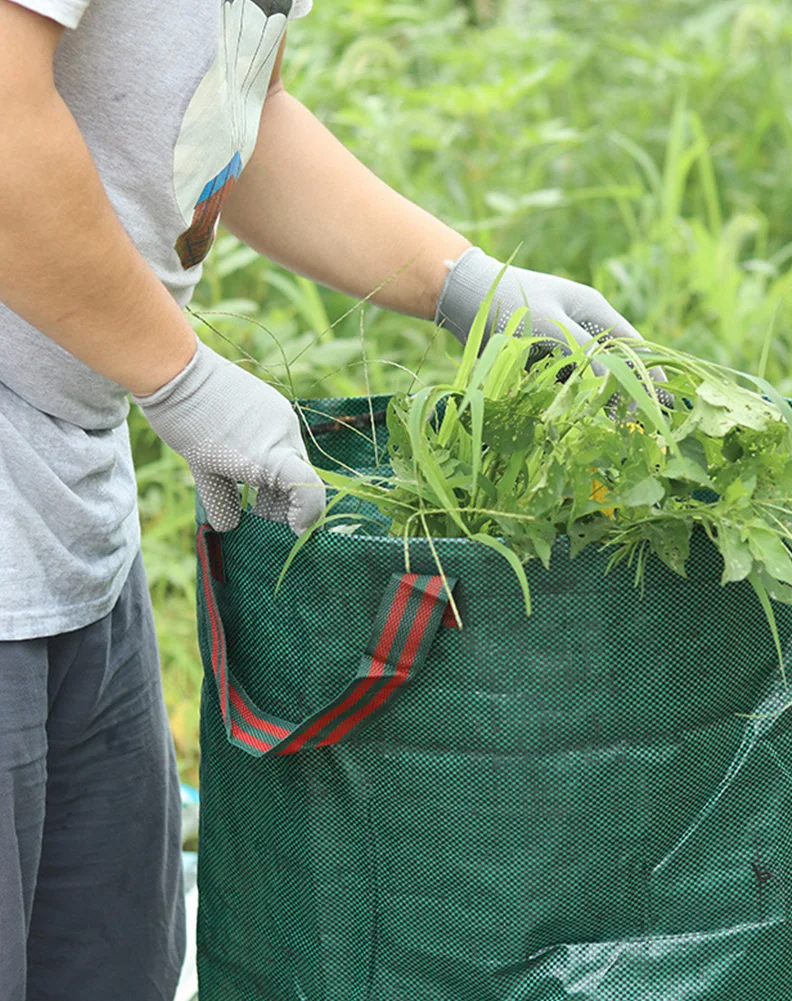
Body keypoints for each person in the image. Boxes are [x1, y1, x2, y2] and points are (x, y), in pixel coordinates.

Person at [0, 1, 653, 997]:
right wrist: (182, 380)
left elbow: (231, 115)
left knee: (106, 961)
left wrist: (462, 281)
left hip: (71, 509)